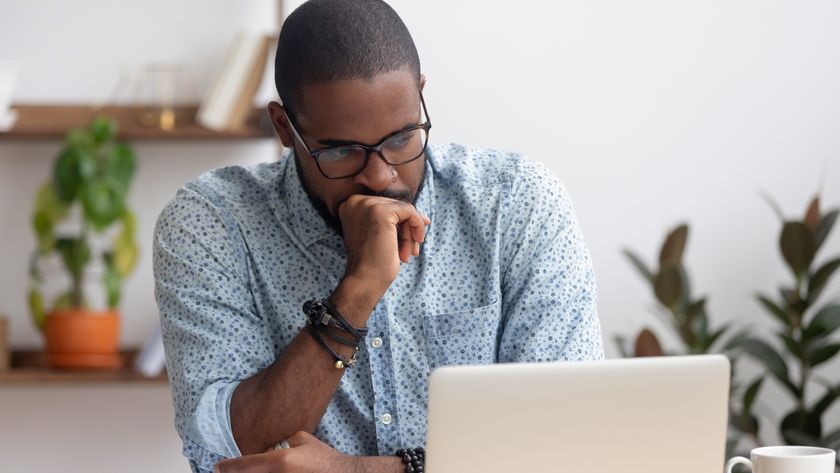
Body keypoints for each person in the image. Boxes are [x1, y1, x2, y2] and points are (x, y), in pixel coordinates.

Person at [153, 1, 604, 472]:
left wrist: (359, 471)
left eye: (402, 137)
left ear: (421, 96)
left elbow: (570, 439)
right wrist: (358, 289)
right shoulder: (214, 222)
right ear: (285, 127)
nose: (382, 175)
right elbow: (230, 456)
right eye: (344, 151)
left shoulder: (514, 204)